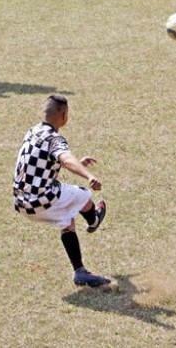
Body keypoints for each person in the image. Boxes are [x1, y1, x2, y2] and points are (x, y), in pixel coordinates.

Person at [13, 95, 110, 288]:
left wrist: (77, 164)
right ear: (64, 116)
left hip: (20, 202)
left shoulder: (33, 131)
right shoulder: (55, 139)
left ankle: (80, 272)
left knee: (68, 215)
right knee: (83, 194)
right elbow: (65, 159)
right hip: (40, 200)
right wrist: (88, 175)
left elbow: (43, 161)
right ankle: (94, 220)